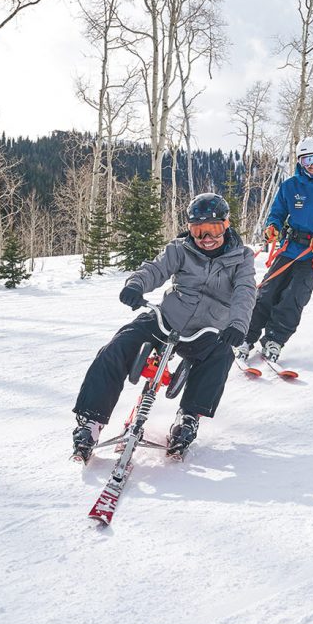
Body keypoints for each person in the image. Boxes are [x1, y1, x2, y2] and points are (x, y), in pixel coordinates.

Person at [71, 193, 256, 460]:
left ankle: (189, 417)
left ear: (226, 225)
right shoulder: (180, 248)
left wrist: (237, 324)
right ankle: (90, 422)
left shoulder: (242, 257)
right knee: (120, 345)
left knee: (221, 355)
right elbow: (155, 270)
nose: (206, 238)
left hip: (207, 329)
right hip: (167, 319)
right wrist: (135, 285)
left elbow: (245, 291)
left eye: (213, 229)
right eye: (198, 230)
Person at [238, 137, 313, 362]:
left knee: (294, 295)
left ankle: (275, 340)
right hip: (290, 248)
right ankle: (246, 337)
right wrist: (273, 227)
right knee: (267, 292)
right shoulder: (290, 185)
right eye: (307, 159)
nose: (312, 164)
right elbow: (277, 212)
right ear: (300, 161)